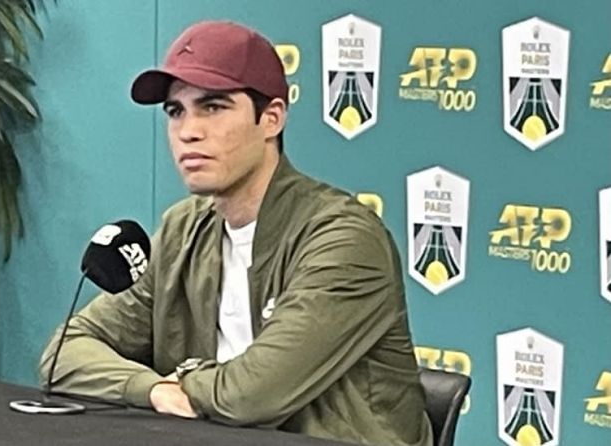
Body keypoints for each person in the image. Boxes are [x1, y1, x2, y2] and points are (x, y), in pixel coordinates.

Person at [39, 20, 432, 446]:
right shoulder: (182, 231)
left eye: (213, 107)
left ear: (271, 119)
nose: (188, 131)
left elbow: (252, 395)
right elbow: (65, 353)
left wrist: (184, 379)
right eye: (175, 111)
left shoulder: (344, 239)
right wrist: (152, 389)